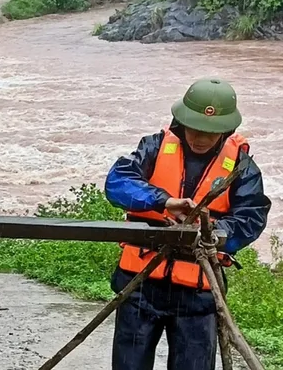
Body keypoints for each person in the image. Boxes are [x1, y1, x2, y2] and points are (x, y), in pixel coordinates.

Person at [104, 77, 270, 370]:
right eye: (195, 127)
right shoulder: (154, 147)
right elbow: (117, 183)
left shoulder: (242, 168)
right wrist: (163, 201)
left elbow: (251, 217)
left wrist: (212, 231)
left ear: (226, 130)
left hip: (197, 293)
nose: (201, 138)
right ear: (181, 121)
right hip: (140, 283)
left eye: (211, 131)